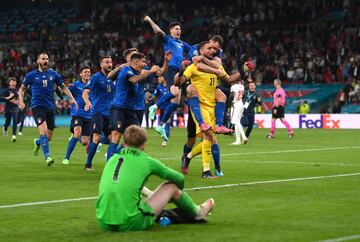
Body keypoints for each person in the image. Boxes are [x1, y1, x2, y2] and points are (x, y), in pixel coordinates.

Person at [96, 125, 214, 231]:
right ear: (143, 145)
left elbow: (123, 183)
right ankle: (199, 211)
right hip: (131, 222)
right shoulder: (146, 161)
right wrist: (175, 196)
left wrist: (152, 195)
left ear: (124, 144)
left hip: (104, 221)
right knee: (172, 187)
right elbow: (179, 178)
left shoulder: (112, 159)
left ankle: (169, 214)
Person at [175, 41, 240, 178]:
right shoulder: (193, 67)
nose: (213, 51)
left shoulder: (216, 66)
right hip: (199, 106)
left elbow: (229, 79)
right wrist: (181, 70)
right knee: (208, 136)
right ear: (201, 51)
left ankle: (188, 157)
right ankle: (206, 171)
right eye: (209, 48)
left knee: (211, 140)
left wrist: (243, 72)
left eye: (213, 49)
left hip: (212, 107)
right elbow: (178, 82)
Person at [18, 52, 78, 165]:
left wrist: (72, 99)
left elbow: (63, 87)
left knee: (49, 137)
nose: (46, 61)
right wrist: (21, 102)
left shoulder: (53, 74)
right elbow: (21, 89)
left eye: (47, 59)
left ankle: (38, 142)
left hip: (50, 107)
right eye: (43, 59)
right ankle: (48, 157)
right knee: (43, 132)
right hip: (37, 107)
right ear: (38, 61)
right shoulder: (31, 75)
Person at [106, 52, 162, 160]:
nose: (145, 63)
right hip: (119, 108)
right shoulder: (126, 70)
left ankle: (114, 157)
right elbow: (134, 80)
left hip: (133, 110)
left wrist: (167, 61)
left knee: (133, 139)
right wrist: (150, 71)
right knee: (116, 135)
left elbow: (160, 72)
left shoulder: (141, 72)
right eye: (143, 61)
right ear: (136, 62)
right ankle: (109, 164)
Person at [144, 16, 191, 139]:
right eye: (176, 28)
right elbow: (158, 31)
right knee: (175, 93)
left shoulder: (182, 44)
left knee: (176, 103)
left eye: (180, 29)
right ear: (171, 30)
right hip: (171, 69)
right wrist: (149, 20)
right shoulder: (168, 39)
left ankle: (161, 124)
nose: (179, 30)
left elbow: (193, 49)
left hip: (180, 71)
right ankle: (155, 106)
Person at [82, 56, 115, 170]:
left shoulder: (113, 78)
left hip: (110, 114)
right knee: (96, 136)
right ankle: (88, 164)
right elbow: (85, 92)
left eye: (110, 62)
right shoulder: (96, 77)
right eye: (107, 62)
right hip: (98, 112)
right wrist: (87, 102)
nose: (109, 64)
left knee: (113, 139)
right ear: (101, 65)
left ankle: (110, 163)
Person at [62, 66, 92, 165]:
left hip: (89, 115)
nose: (87, 73)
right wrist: (64, 85)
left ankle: (74, 137)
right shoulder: (75, 85)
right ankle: (66, 158)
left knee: (84, 142)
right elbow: (63, 90)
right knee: (77, 132)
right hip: (78, 114)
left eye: (89, 72)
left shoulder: (94, 84)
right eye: (85, 72)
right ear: (81, 74)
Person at [2, 77, 19, 142]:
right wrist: (9, 97)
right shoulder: (6, 90)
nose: (13, 83)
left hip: (15, 107)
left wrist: (19, 102)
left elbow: (19, 99)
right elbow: (2, 98)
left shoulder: (17, 91)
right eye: (12, 82)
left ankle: (14, 135)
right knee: (8, 122)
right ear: (9, 83)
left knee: (15, 120)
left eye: (14, 82)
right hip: (7, 108)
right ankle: (5, 128)